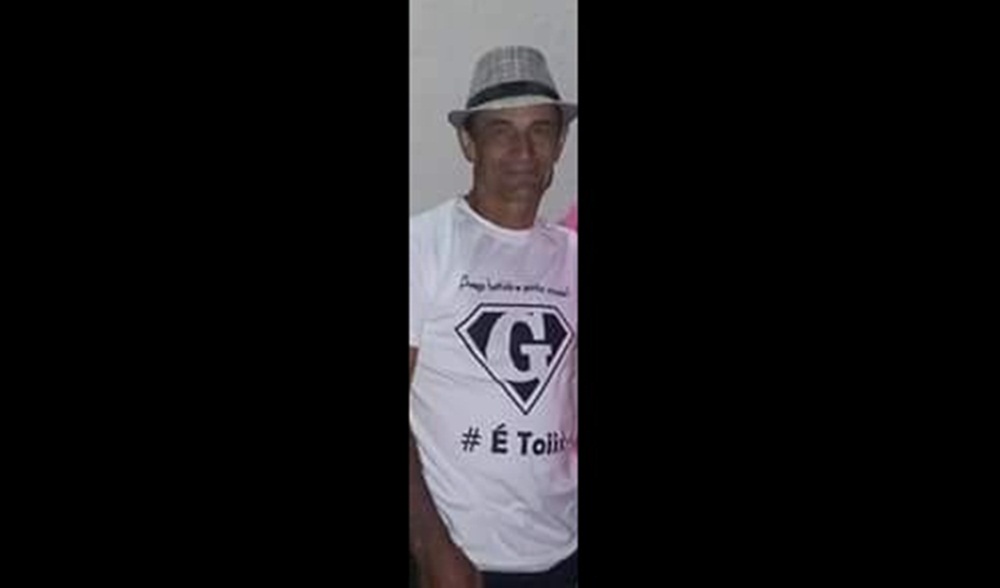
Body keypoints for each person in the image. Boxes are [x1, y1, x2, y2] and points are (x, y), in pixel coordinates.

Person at [409, 45, 579, 588]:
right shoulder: (423, 246)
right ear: (468, 142)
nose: (523, 151)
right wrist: (429, 544)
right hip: (460, 562)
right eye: (501, 130)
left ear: (560, 144)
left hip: (565, 552)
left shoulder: (572, 255)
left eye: (540, 130)